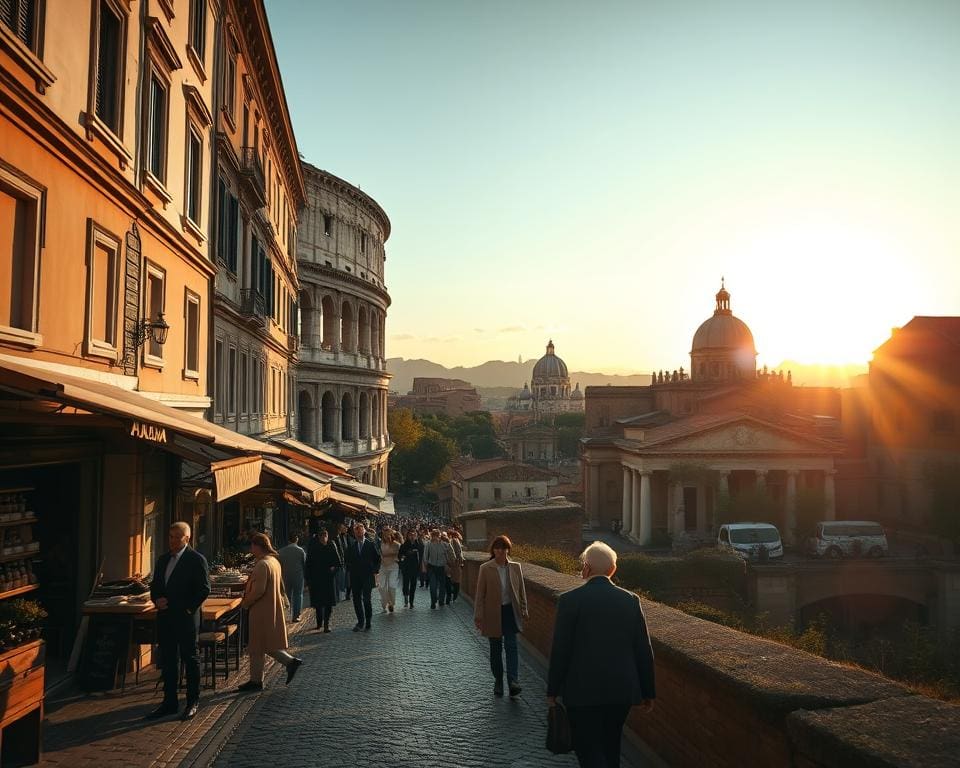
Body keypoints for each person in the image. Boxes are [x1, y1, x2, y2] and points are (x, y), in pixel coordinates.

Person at [546, 541, 655, 768]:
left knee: (588, 750)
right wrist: (648, 691)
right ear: (612, 570)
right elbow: (643, 650)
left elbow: (560, 650)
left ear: (586, 568)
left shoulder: (569, 601)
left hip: (581, 691)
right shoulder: (630, 601)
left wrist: (553, 690)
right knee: (611, 745)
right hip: (621, 690)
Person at [147, 522, 210, 721]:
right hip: (165, 618)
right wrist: (156, 599)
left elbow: (203, 589)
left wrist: (188, 609)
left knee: (190, 659)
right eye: (170, 536)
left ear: (187, 538)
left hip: (186, 619)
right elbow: (156, 585)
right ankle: (169, 702)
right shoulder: (163, 560)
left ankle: (192, 701)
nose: (172, 540)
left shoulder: (196, 560)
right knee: (169, 660)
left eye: (177, 537)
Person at [238, 533, 303, 691]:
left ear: (258, 546)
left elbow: (259, 590)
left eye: (252, 546)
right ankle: (284, 665)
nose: (251, 549)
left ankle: (258, 680)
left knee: (257, 645)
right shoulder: (273, 561)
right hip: (270, 607)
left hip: (260, 609)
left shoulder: (262, 564)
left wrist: (246, 603)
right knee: (261, 645)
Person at [474, 534, 528, 697]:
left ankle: (513, 681)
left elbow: (521, 591)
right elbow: (480, 594)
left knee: (511, 647)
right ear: (493, 550)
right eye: (497, 548)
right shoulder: (486, 568)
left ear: (507, 550)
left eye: (503, 548)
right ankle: (498, 680)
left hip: (510, 611)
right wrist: (478, 616)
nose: (500, 551)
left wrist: (524, 609)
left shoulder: (515, 567)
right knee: (495, 649)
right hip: (492, 613)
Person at [344, 522, 381, 631]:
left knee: (366, 600)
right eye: (357, 533)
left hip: (368, 576)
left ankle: (368, 620)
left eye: (360, 532)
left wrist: (375, 571)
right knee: (356, 600)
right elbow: (347, 559)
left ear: (364, 532)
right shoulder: (352, 546)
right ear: (355, 534)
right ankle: (360, 622)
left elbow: (377, 559)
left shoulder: (370, 545)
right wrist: (350, 568)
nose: (359, 535)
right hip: (355, 577)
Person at [305, 528, 341, 632]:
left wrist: (333, 570)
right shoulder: (313, 548)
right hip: (316, 579)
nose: (324, 539)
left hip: (328, 579)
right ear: (319, 537)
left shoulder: (331, 545)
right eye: (322, 537)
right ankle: (319, 622)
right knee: (318, 603)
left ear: (327, 537)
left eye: (326, 536)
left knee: (328, 603)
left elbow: (338, 562)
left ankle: (326, 624)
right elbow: (308, 564)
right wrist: (308, 579)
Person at [277, 532, 306, 622]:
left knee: (286, 595)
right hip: (298, 575)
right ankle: (296, 616)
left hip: (285, 575)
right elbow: (304, 563)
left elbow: (279, 564)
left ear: (288, 540)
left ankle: (286, 615)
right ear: (297, 539)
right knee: (298, 595)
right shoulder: (300, 550)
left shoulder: (281, 551)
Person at [422, 528, 453, 610]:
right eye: (434, 536)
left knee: (442, 585)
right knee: (433, 586)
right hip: (432, 567)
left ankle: (441, 600)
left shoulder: (444, 544)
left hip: (442, 567)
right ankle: (433, 601)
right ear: (432, 536)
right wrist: (425, 565)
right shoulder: (428, 544)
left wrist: (449, 562)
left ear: (439, 536)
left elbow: (450, 553)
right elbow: (425, 556)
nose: (435, 538)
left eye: (437, 536)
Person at [398, 529, 423, 608]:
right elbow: (400, 555)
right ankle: (406, 597)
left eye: (414, 535)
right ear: (408, 536)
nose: (412, 536)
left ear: (416, 536)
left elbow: (422, 556)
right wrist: (403, 556)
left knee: (413, 585)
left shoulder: (419, 545)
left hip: (415, 568)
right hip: (406, 568)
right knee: (405, 584)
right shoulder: (404, 545)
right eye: (410, 535)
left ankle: (411, 602)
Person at [378, 528, 401, 613]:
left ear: (391, 535)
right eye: (385, 534)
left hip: (393, 567)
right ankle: (385, 603)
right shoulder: (380, 544)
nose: (387, 536)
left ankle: (392, 603)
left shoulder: (397, 545)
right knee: (382, 586)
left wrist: (394, 557)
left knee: (392, 586)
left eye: (388, 534)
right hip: (383, 567)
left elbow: (400, 555)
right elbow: (379, 554)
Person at [446, 528, 464, 604]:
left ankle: (452, 596)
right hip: (456, 564)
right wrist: (461, 561)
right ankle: (454, 596)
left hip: (453, 563)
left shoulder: (452, 541)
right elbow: (459, 553)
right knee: (457, 580)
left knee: (453, 580)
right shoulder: (455, 541)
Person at [334, 523, 350, 601]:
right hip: (341, 562)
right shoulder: (337, 538)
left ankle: (342, 594)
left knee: (343, 579)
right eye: (344, 528)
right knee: (340, 579)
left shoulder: (344, 537)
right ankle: (339, 595)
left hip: (344, 561)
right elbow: (340, 550)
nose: (346, 529)